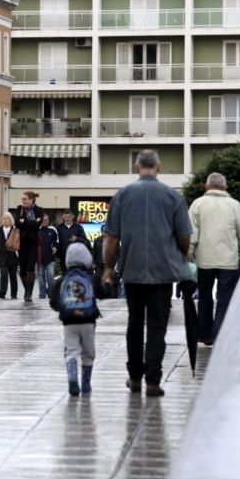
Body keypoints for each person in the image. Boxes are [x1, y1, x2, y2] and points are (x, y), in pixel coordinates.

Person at [102, 150, 192, 397]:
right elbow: (184, 235)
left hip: (132, 269)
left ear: (136, 167)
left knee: (134, 323)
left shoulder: (122, 196)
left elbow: (112, 238)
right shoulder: (173, 196)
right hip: (163, 272)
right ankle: (153, 380)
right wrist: (184, 253)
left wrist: (108, 268)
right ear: (158, 167)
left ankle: (134, 378)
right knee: (157, 325)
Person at [188, 172, 240, 345]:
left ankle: (204, 334)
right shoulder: (234, 205)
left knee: (204, 297)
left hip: (204, 260)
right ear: (225, 187)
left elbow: (190, 233)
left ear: (206, 186)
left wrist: (188, 253)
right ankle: (219, 334)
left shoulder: (197, 204)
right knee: (225, 298)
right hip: (228, 261)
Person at [50, 242, 100, 396]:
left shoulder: (62, 280)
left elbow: (53, 302)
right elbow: (103, 292)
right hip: (88, 321)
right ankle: (85, 385)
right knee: (88, 354)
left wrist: (63, 308)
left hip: (69, 322)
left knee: (71, 352)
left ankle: (72, 379)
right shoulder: (91, 278)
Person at [16, 191, 45, 302]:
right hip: (22, 242)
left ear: (31, 200)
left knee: (30, 267)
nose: (23, 201)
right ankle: (26, 290)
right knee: (22, 269)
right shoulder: (19, 209)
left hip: (33, 242)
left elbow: (38, 224)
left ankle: (29, 293)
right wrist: (31, 223)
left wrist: (25, 221)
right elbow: (17, 223)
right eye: (22, 199)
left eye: (25, 199)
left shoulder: (39, 210)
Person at [0, 211, 19, 299]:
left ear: (10, 220)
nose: (5, 220)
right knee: (3, 273)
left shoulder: (15, 230)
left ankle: (14, 294)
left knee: (13, 276)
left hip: (12, 255)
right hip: (3, 256)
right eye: (3, 218)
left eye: (6, 218)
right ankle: (2, 292)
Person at [92, 225, 121, 298]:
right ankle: (100, 296)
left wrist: (117, 264)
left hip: (111, 265)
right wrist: (93, 262)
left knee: (111, 281)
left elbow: (119, 253)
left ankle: (112, 296)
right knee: (100, 280)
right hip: (100, 265)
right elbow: (94, 252)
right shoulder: (97, 241)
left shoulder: (113, 241)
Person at [56, 208, 87, 273]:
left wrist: (77, 238)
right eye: (65, 217)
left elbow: (84, 239)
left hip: (76, 255)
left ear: (72, 217)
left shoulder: (78, 227)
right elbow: (56, 240)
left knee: (74, 273)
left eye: (69, 216)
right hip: (63, 255)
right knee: (65, 274)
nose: (67, 218)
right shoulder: (59, 227)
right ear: (63, 217)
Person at [37, 213, 58, 299]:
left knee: (50, 275)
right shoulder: (37, 229)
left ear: (48, 221)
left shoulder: (52, 229)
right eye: (42, 220)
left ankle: (50, 292)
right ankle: (42, 294)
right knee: (40, 277)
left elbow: (57, 240)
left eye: (45, 220)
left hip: (50, 257)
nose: (44, 222)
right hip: (39, 258)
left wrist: (55, 247)